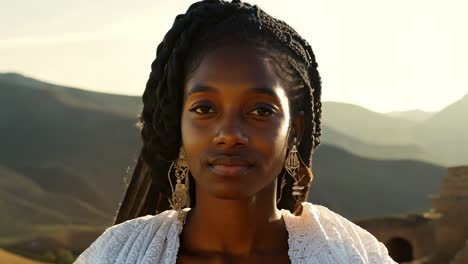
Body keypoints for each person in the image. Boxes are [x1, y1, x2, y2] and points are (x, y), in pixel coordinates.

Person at [75, 0, 396, 263]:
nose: (229, 133)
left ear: (295, 130)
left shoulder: (348, 255)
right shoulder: (118, 254)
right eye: (204, 109)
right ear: (179, 124)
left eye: (260, 111)